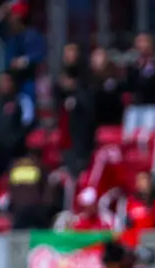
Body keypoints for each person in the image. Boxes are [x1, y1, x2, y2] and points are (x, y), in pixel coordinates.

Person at [0, 0, 46, 104]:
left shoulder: (31, 35)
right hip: (7, 84)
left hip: (25, 83)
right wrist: (2, 10)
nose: (11, 20)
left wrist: (24, 60)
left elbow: (39, 54)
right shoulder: (7, 34)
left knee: (26, 112)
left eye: (13, 16)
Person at [0, 71, 34, 177]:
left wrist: (11, 144)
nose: (5, 84)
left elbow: (27, 128)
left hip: (17, 159)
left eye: (8, 81)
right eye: (2, 81)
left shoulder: (23, 102)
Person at [55, 44, 95, 176]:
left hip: (83, 129)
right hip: (66, 129)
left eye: (73, 52)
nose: (70, 56)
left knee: (81, 166)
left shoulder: (86, 75)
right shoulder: (61, 76)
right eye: (67, 52)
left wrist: (74, 88)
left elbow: (90, 100)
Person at [123, 33, 155, 150]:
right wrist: (138, 69)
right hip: (135, 106)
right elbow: (130, 86)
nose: (143, 46)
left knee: (147, 138)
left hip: (153, 106)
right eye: (140, 42)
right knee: (128, 138)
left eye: (145, 42)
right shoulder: (132, 66)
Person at [90, 48, 124, 127]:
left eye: (100, 56)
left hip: (110, 119)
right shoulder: (88, 77)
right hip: (91, 119)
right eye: (95, 57)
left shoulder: (114, 77)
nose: (97, 59)